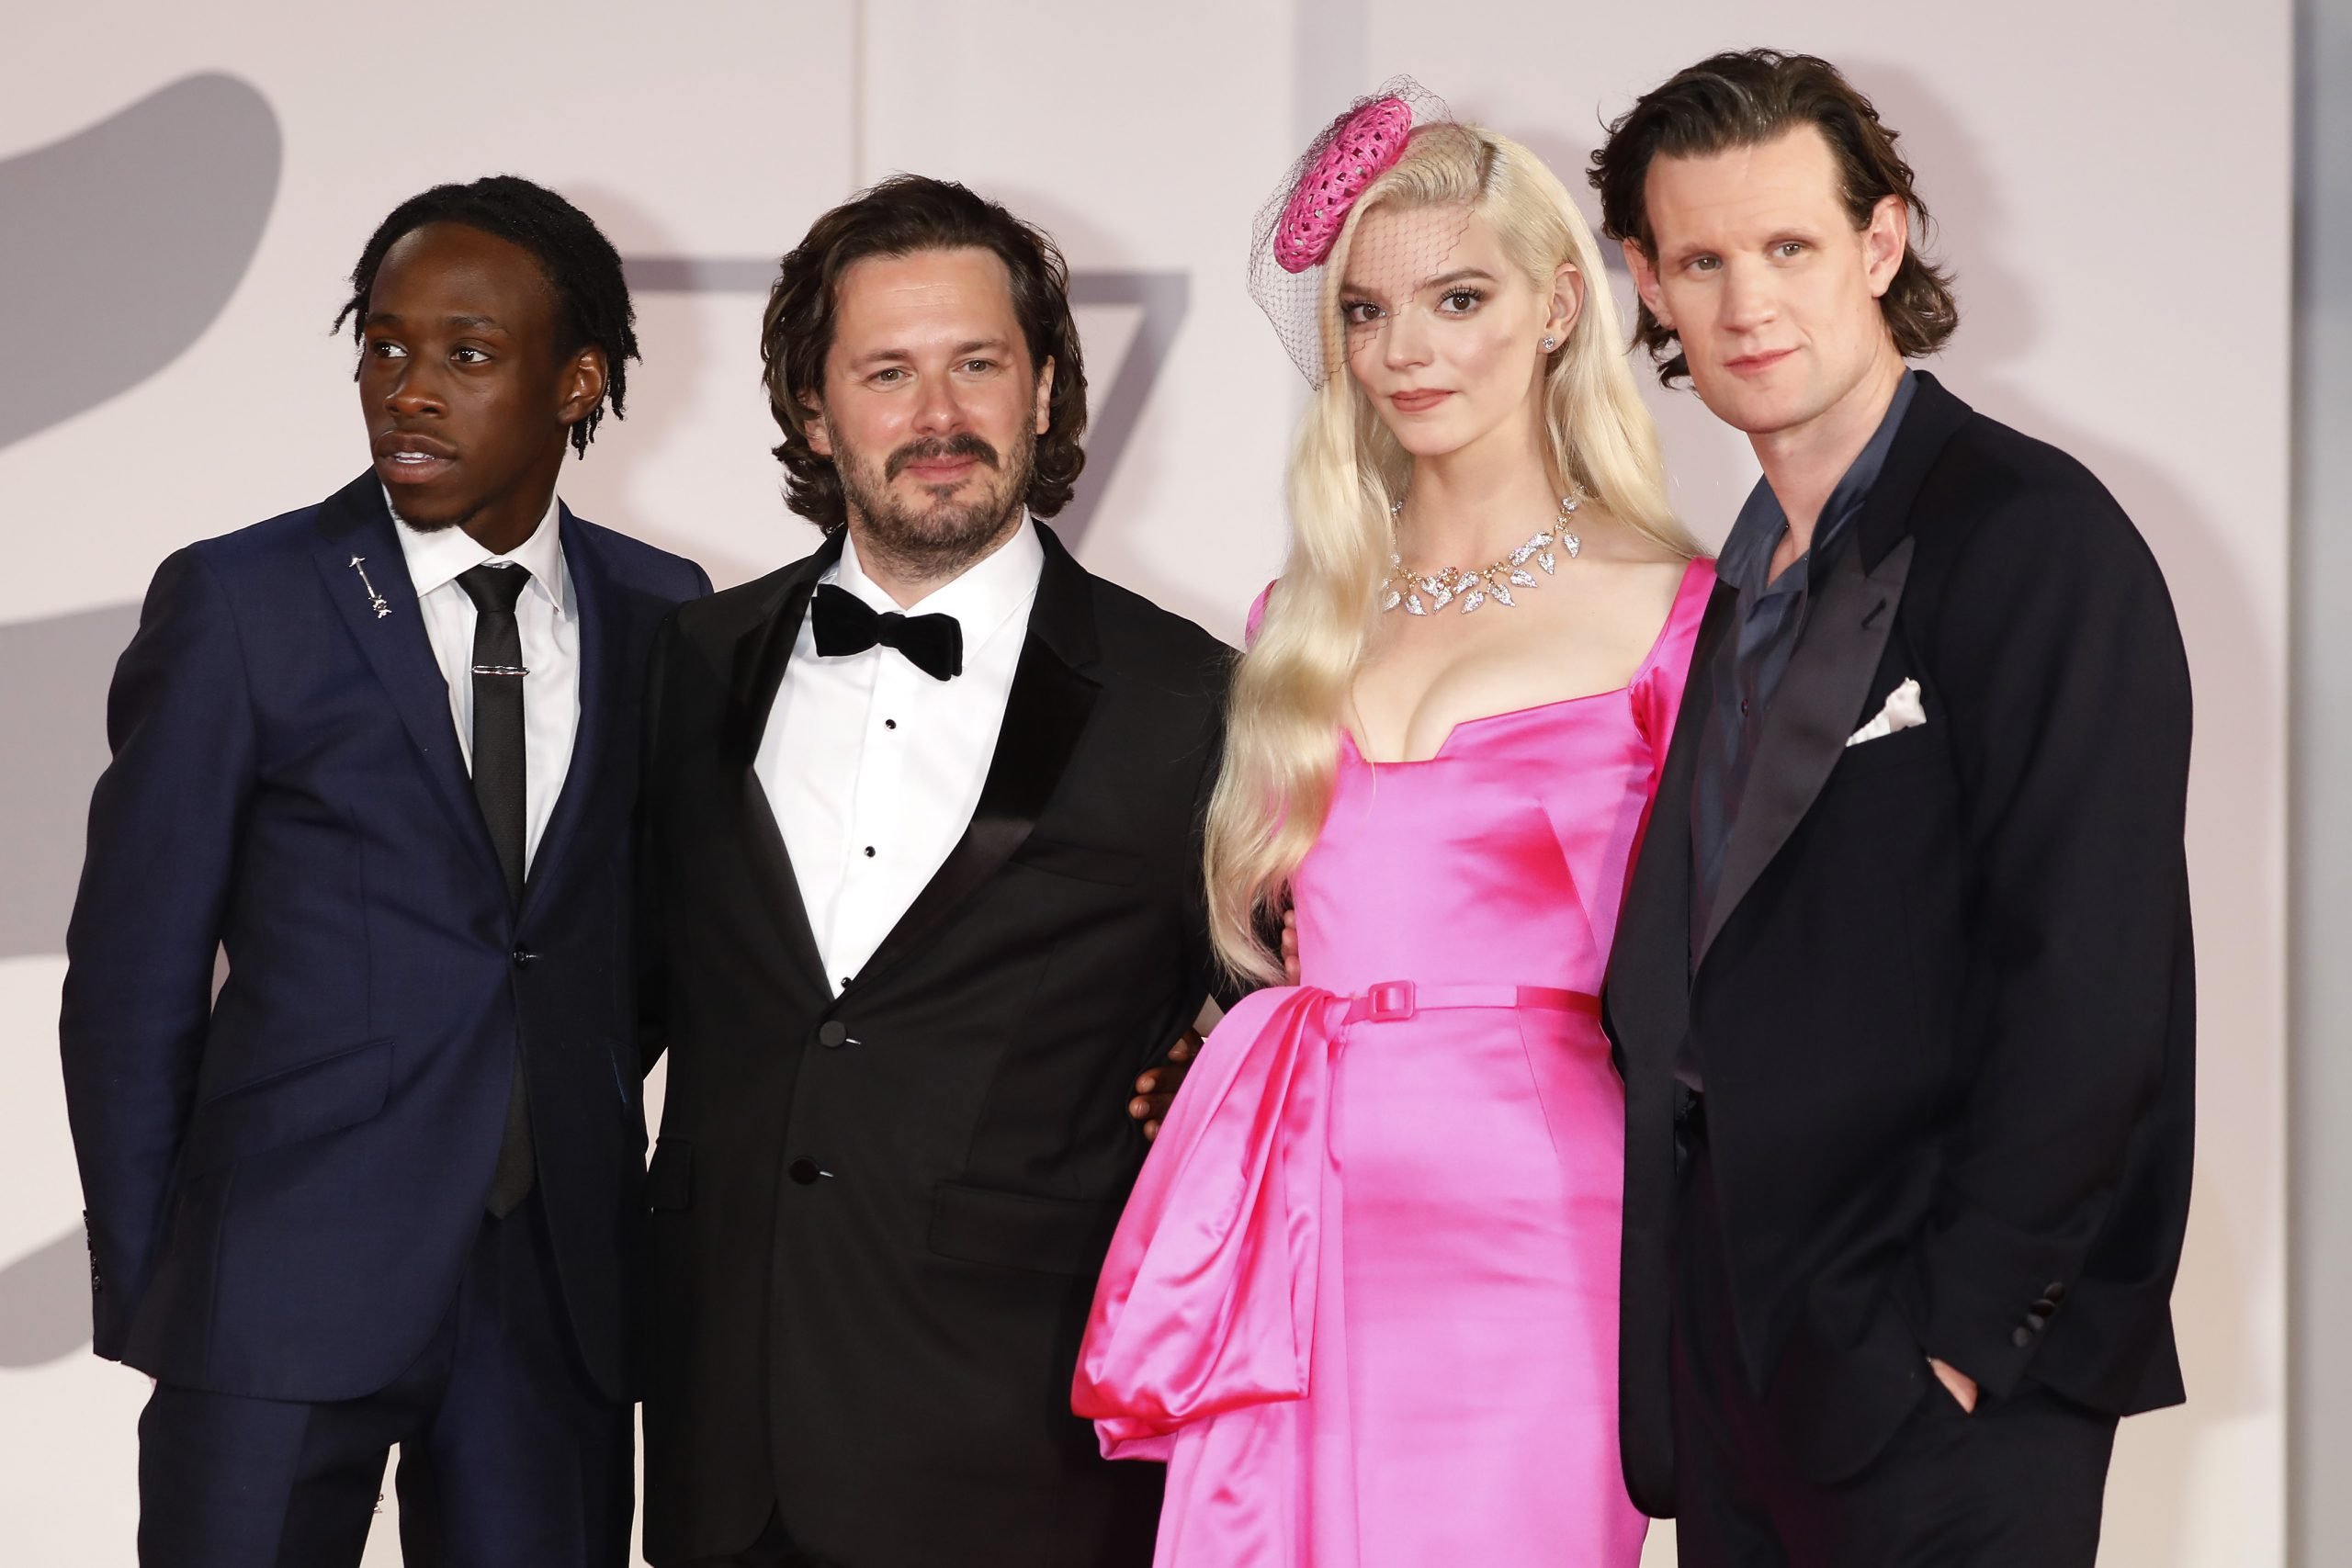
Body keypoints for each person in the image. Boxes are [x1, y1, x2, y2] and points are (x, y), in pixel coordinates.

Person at [1073, 86, 1708, 1565]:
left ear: (1560, 308)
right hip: (1296, 1208)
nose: (1404, 350)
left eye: (1457, 297)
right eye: (1366, 312)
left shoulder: (1675, 614)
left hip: (1545, 1223)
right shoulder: (1294, 623)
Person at [1589, 51, 2196, 1566]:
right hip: (1742, 1366)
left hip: (1938, 1376)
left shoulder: (2032, 536)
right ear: (1646, 284)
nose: (1749, 306)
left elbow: (2096, 972)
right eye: (1705, 261)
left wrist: (1964, 1335)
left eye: (1790, 248)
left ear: (1882, 242)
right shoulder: (1732, 588)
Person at [59, 176, 710, 1567]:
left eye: (466, 356)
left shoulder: (667, 612)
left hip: (556, 1302)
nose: (408, 389)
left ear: (575, 379)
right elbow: (131, 976)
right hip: (272, 1299)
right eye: (384, 346)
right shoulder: (242, 602)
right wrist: (158, 1287)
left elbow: (649, 956)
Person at [633, 175, 1227, 1568]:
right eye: (886, 373)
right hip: (732, 1435)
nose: (939, 415)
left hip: (1027, 1452)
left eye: (977, 364)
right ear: (811, 410)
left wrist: (1210, 1063)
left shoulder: (1193, 697)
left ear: (1042, 389)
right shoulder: (687, 665)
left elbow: (1284, 1014)